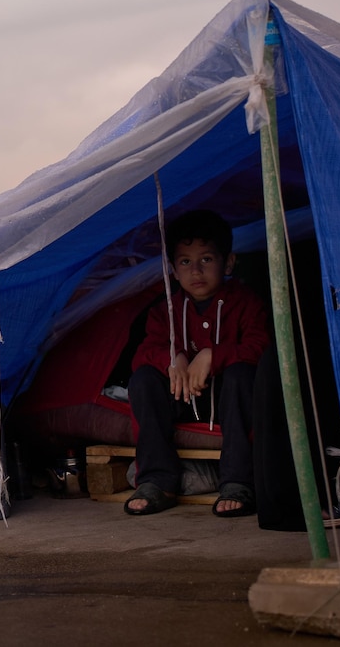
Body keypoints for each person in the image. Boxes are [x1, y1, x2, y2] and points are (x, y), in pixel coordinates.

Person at [124, 209, 270, 517]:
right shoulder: (166, 310)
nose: (196, 271)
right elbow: (143, 353)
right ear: (173, 271)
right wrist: (172, 358)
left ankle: (238, 482)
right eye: (185, 262)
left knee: (242, 374)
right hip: (183, 401)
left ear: (228, 262)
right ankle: (157, 481)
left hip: (230, 401)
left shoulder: (246, 303)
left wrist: (214, 355)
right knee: (144, 379)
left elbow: (262, 347)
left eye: (206, 259)